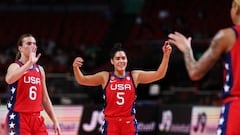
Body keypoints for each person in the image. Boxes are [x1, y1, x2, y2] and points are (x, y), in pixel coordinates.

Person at [168, 0, 240, 134]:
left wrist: (187, 50)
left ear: (236, 8)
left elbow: (195, 73)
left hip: (236, 109)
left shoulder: (227, 36)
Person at [73, 42, 172, 135]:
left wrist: (166, 55)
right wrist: (76, 68)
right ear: (112, 61)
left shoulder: (134, 76)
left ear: (127, 60)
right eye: (118, 58)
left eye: (123, 58)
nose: (121, 61)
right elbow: (82, 80)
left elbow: (159, 74)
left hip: (128, 122)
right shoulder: (105, 76)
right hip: (111, 123)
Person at [4, 33, 61, 135]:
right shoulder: (15, 66)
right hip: (18, 117)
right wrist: (29, 64)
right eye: (29, 43)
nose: (33, 46)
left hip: (36, 118)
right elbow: (9, 79)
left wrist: (55, 120)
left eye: (34, 43)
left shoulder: (40, 70)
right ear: (20, 48)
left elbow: (45, 98)